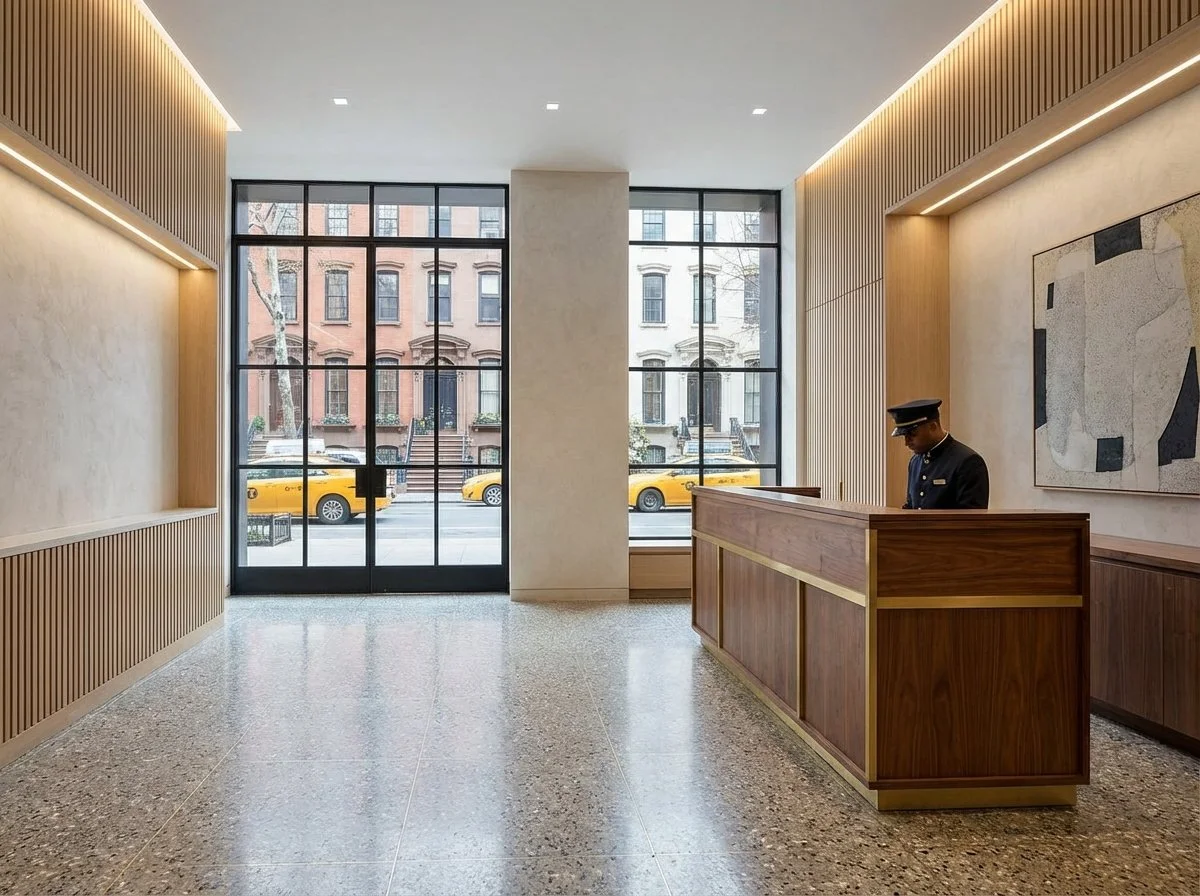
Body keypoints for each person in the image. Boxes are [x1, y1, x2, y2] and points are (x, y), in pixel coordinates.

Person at [886, 398, 989, 509]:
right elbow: (912, 507)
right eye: (904, 436)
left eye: (912, 434)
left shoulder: (968, 462)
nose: (906, 442)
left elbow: (972, 519)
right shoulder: (915, 462)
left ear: (932, 427)